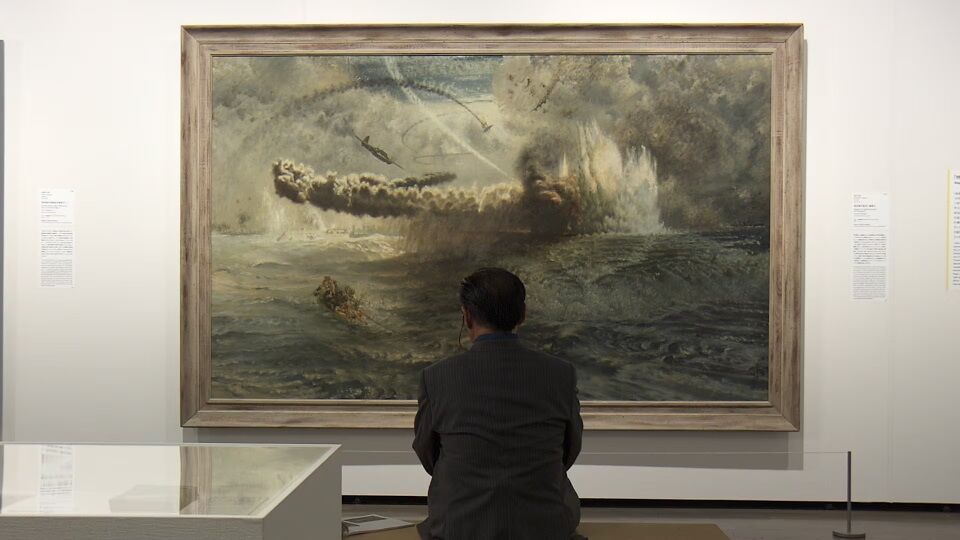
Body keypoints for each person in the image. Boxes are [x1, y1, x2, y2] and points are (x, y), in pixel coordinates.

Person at [413, 267, 585, 540]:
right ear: (523, 314)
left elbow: (427, 452)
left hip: (459, 527)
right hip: (545, 527)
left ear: (467, 317)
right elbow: (570, 448)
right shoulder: (561, 373)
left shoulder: (436, 377)